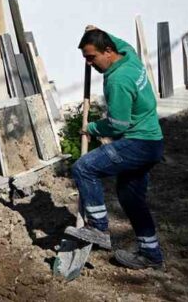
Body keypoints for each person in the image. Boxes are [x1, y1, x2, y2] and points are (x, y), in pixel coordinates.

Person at [67, 26, 165, 270]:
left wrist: (91, 128)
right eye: (85, 59)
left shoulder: (118, 81)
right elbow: (119, 41)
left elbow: (117, 124)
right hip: (153, 142)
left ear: (108, 51)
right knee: (131, 199)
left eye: (91, 57)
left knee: (84, 168)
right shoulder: (129, 56)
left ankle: (98, 228)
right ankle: (151, 253)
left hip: (137, 144)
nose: (89, 63)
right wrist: (96, 29)